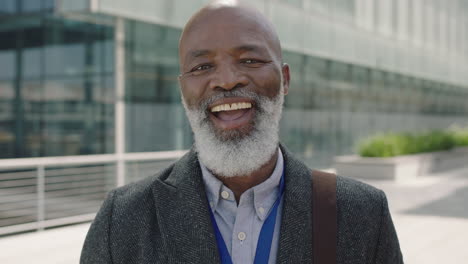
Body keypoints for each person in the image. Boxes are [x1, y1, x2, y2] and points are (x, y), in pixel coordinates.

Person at [80, 1, 403, 263]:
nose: (226, 80)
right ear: (183, 90)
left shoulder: (362, 211)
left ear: (285, 80)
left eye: (249, 60)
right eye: (202, 67)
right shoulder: (123, 218)